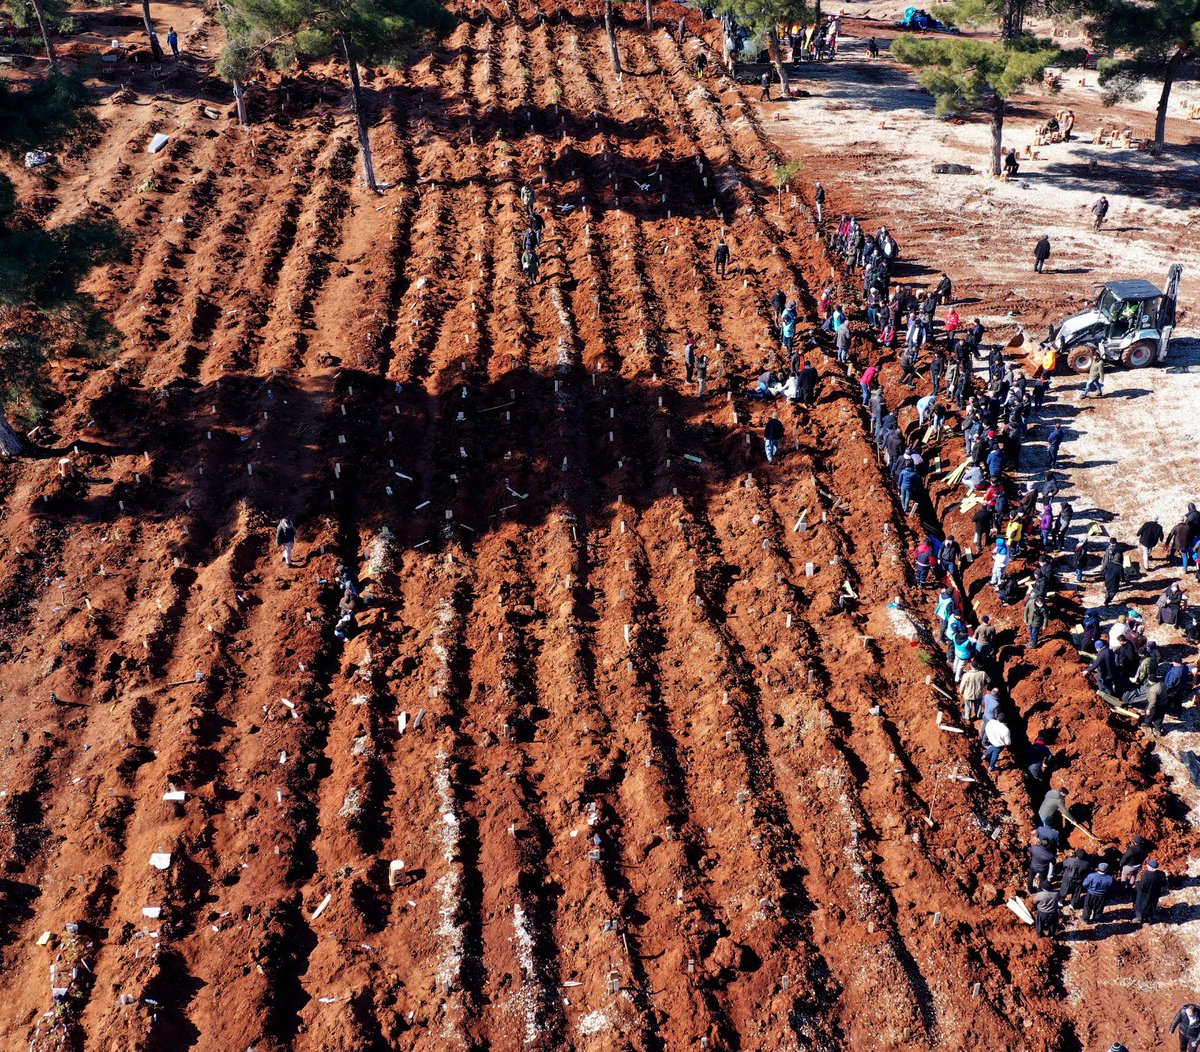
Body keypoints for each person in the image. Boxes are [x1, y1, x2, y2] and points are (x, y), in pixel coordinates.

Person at [1134, 859, 1167, 924]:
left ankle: (1139, 919)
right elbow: (1165, 884)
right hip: (1155, 894)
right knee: (1152, 906)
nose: (1146, 865)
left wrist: (1137, 883)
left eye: (1148, 865)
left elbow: (1142, 887)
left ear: (1151, 868)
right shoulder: (1162, 874)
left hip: (1144, 895)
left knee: (1139, 906)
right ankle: (1150, 918)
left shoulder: (1146, 875)